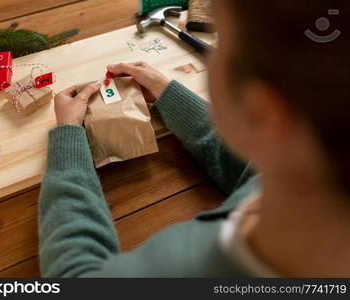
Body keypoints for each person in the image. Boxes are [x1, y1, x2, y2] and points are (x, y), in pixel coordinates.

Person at [39, 0, 349, 277]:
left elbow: (72, 271)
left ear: (260, 113)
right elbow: (250, 169)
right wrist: (171, 96)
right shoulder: (308, 173)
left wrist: (68, 140)